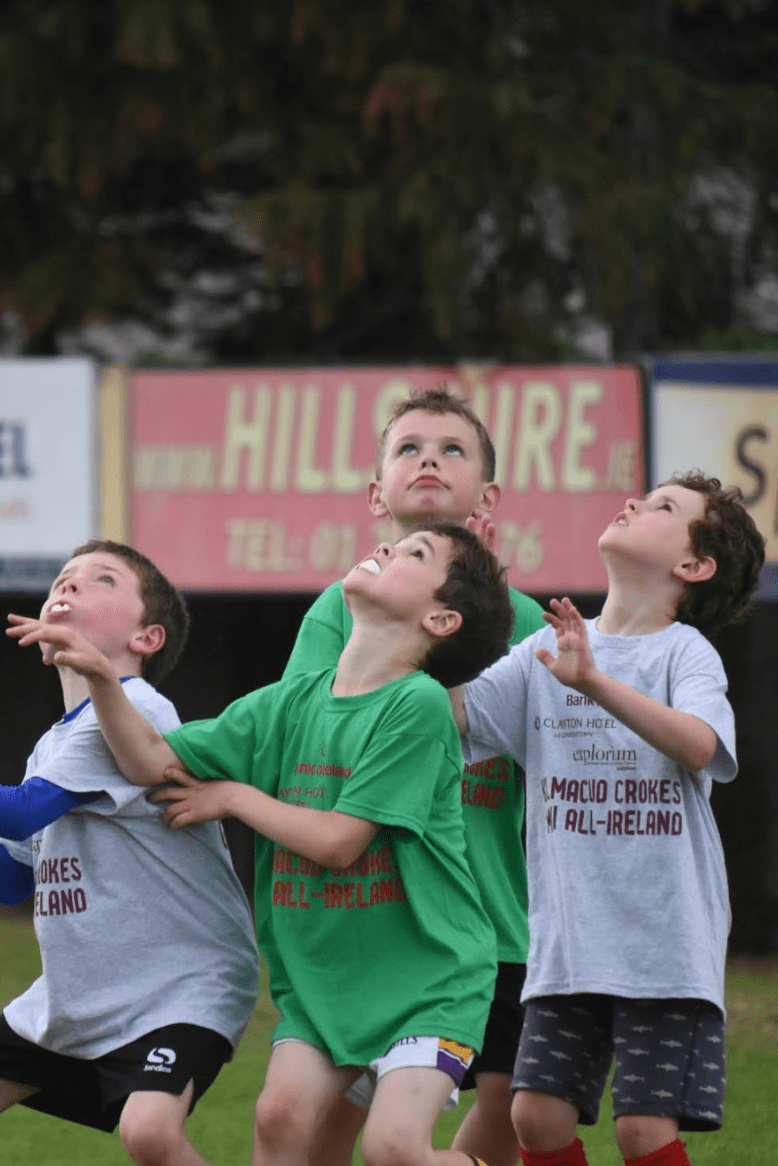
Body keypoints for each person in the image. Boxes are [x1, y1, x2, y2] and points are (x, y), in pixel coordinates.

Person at [9, 522, 516, 1166]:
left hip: (428, 983)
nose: (387, 546)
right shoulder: (292, 700)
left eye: (415, 553)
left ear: (441, 620)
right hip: (322, 986)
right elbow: (151, 762)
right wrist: (103, 681)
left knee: (394, 1149)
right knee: (278, 1119)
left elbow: (339, 843)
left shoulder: (414, 704)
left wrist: (233, 797)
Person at [451, 473, 766, 1166]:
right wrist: (466, 597)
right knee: (534, 1117)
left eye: (662, 508)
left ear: (693, 566)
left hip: (666, 951)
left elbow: (701, 745)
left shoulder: (684, 652)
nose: (633, 503)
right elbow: (456, 715)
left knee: (641, 1132)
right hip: (569, 948)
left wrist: (594, 681)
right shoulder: (545, 651)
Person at [284, 386, 545, 1166]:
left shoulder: (527, 622)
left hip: (495, 908)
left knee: (507, 1098)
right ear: (376, 494)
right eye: (408, 448)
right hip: (378, 906)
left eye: (452, 449)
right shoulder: (341, 609)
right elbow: (306, 736)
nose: (429, 458)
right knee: (332, 1112)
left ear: (488, 496)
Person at [1, 539, 259, 1166]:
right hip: (78, 996)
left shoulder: (135, 708)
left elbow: (24, 811)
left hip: (178, 988)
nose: (68, 585)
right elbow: (13, 884)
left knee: (150, 1134)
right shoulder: (50, 748)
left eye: (101, 579)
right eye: (62, 577)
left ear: (148, 637)